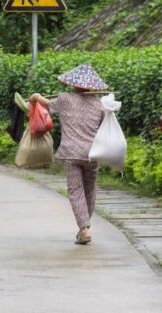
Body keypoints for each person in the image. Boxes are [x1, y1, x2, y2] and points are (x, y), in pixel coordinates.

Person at [29, 63, 109, 245]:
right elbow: (105, 127)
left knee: (75, 191)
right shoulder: (100, 106)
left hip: (71, 154)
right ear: (91, 86)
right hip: (92, 154)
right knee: (89, 189)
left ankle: (84, 229)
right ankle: (85, 228)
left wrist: (35, 96)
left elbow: (47, 104)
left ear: (73, 84)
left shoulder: (64, 99)